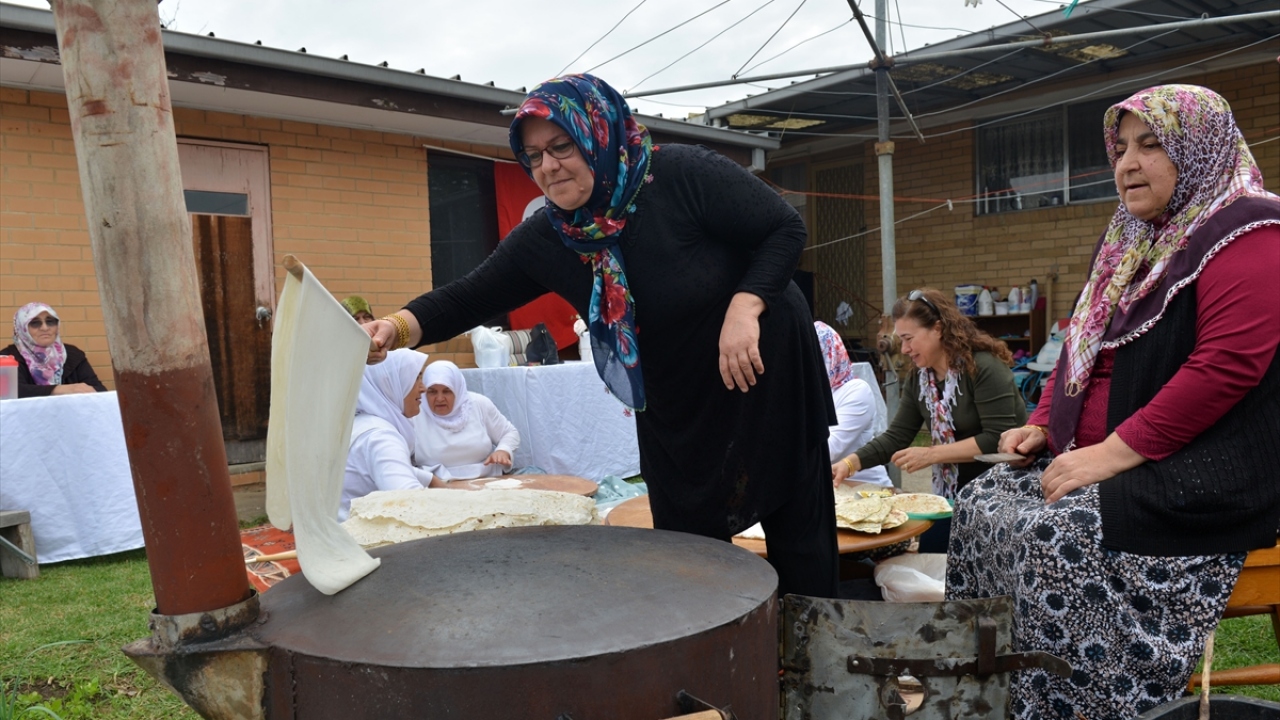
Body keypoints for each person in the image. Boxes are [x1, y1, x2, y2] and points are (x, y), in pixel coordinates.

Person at [366, 74, 837, 598]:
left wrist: (746, 306)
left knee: (798, 536)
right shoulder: (552, 235)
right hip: (677, 398)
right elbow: (467, 296)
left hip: (760, 368)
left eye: (561, 146)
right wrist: (395, 326)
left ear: (597, 134)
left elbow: (784, 229)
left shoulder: (680, 175)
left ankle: (815, 659)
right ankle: (724, 658)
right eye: (534, 157)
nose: (547, 167)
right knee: (691, 551)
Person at [946, 85, 1280, 719]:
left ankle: (1085, 703)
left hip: (1204, 470)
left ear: (1201, 151)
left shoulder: (1250, 229)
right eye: (1120, 147)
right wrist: (1044, 424)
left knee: (1053, 532)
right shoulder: (1130, 239)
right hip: (1122, 458)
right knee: (980, 503)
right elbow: (1081, 347)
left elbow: (1226, 367)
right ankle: (993, 695)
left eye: (1151, 146)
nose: (1127, 162)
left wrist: (1111, 454)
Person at [831, 288, 1026, 552]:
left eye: (909, 338)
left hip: (999, 496)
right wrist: (849, 463)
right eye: (901, 339)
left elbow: (998, 439)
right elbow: (897, 436)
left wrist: (932, 455)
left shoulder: (983, 368)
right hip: (948, 498)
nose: (905, 348)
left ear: (938, 329)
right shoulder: (920, 379)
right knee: (935, 562)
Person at [339, 349, 433, 521]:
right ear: (391, 382)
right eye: (416, 377)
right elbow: (410, 503)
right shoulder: (382, 437)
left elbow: (375, 467)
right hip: (357, 541)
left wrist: (432, 480)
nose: (423, 388)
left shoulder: (362, 423)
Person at [412, 360, 520, 484]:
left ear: (458, 389)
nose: (440, 398)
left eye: (447, 391)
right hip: (435, 485)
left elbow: (509, 432)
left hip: (487, 480)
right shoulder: (415, 412)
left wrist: (503, 450)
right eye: (432, 392)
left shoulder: (478, 404)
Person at [815, 321, 890, 487]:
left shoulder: (856, 391)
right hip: (826, 487)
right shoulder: (809, 394)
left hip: (865, 489)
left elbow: (829, 449)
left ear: (829, 355)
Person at [1, 303, 107, 398]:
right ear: (22, 328)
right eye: (35, 323)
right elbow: (11, 392)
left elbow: (99, 389)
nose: (45, 328)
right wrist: (60, 389)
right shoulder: (7, 357)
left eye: (50, 322)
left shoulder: (72, 354)